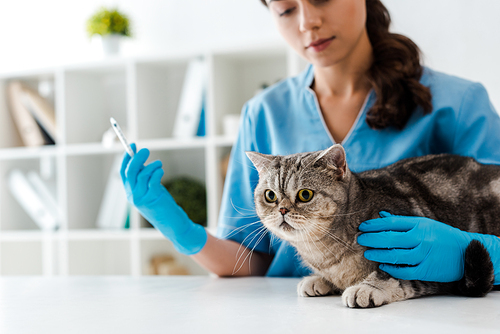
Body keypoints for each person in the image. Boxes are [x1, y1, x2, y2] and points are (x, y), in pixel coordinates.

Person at [120, 0, 500, 285]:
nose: (308, 22)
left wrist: (474, 253)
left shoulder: (457, 103)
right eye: (286, 9)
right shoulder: (264, 112)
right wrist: (175, 225)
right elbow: (250, 260)